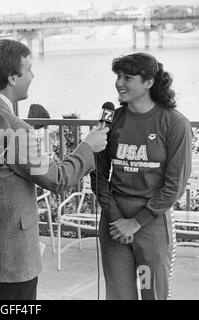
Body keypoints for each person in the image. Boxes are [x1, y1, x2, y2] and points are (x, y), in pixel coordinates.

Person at [0, 39, 109, 300]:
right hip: (13, 255)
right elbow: (58, 179)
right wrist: (87, 148)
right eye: (29, 70)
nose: (33, 75)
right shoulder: (16, 131)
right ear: (13, 77)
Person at [91, 52, 192, 300]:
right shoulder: (112, 121)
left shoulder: (174, 123)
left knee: (152, 293)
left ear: (148, 82)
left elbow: (174, 185)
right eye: (118, 76)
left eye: (128, 77)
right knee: (119, 294)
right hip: (114, 222)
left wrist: (136, 223)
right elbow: (98, 175)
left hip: (150, 225)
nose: (119, 83)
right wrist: (116, 219)